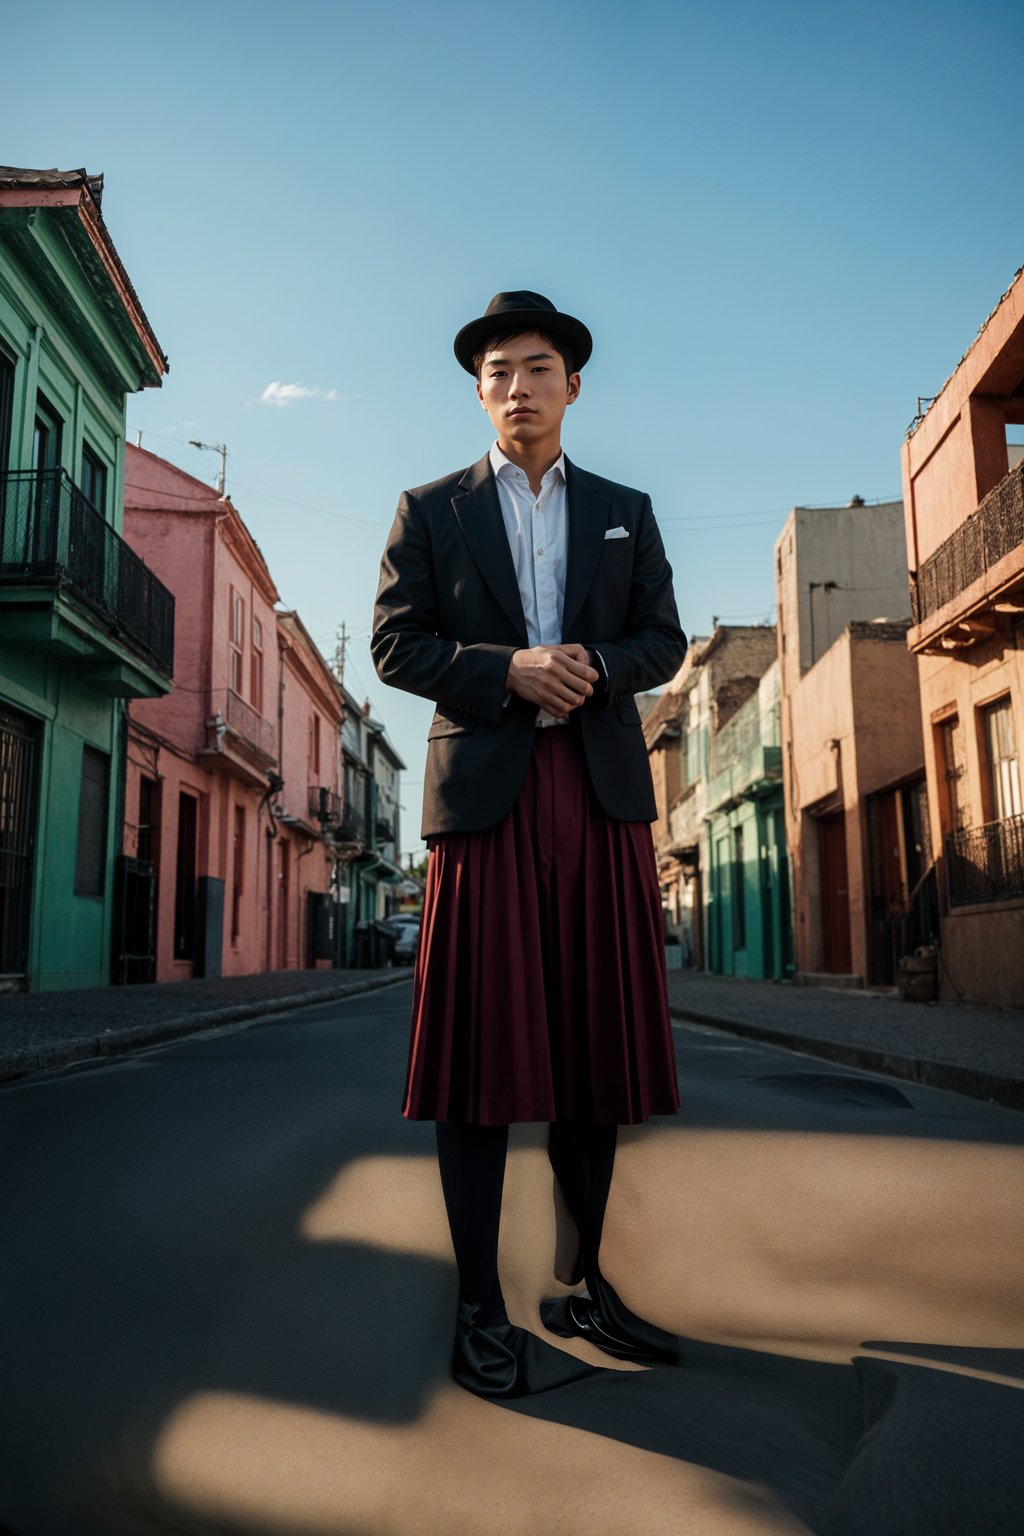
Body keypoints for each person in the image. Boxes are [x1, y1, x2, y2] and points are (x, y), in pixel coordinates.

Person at [371, 290, 688, 1399]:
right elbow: (393, 647)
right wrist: (504, 667)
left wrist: (589, 664)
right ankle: (477, 1306)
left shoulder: (623, 509)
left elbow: (663, 639)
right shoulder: (430, 509)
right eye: (498, 369)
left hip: (598, 800)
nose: (518, 385)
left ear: (573, 384)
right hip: (485, 802)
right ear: (479, 389)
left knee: (593, 1063)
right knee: (477, 1067)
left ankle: (585, 1283)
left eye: (538, 366)